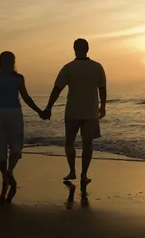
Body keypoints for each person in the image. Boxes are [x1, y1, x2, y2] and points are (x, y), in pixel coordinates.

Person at [43, 38, 107, 184]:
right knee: (87, 144)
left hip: (72, 111)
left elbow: (57, 89)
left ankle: (72, 171)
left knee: (70, 142)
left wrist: (49, 107)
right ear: (88, 48)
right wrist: (103, 106)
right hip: (90, 112)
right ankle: (84, 174)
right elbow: (102, 90)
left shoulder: (68, 68)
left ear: (74, 49)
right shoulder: (97, 67)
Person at [0, 51, 44, 190]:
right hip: (14, 113)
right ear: (13, 62)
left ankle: (4, 176)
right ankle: (10, 170)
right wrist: (39, 111)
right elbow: (26, 98)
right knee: (16, 146)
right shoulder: (18, 78)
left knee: (0, 148)